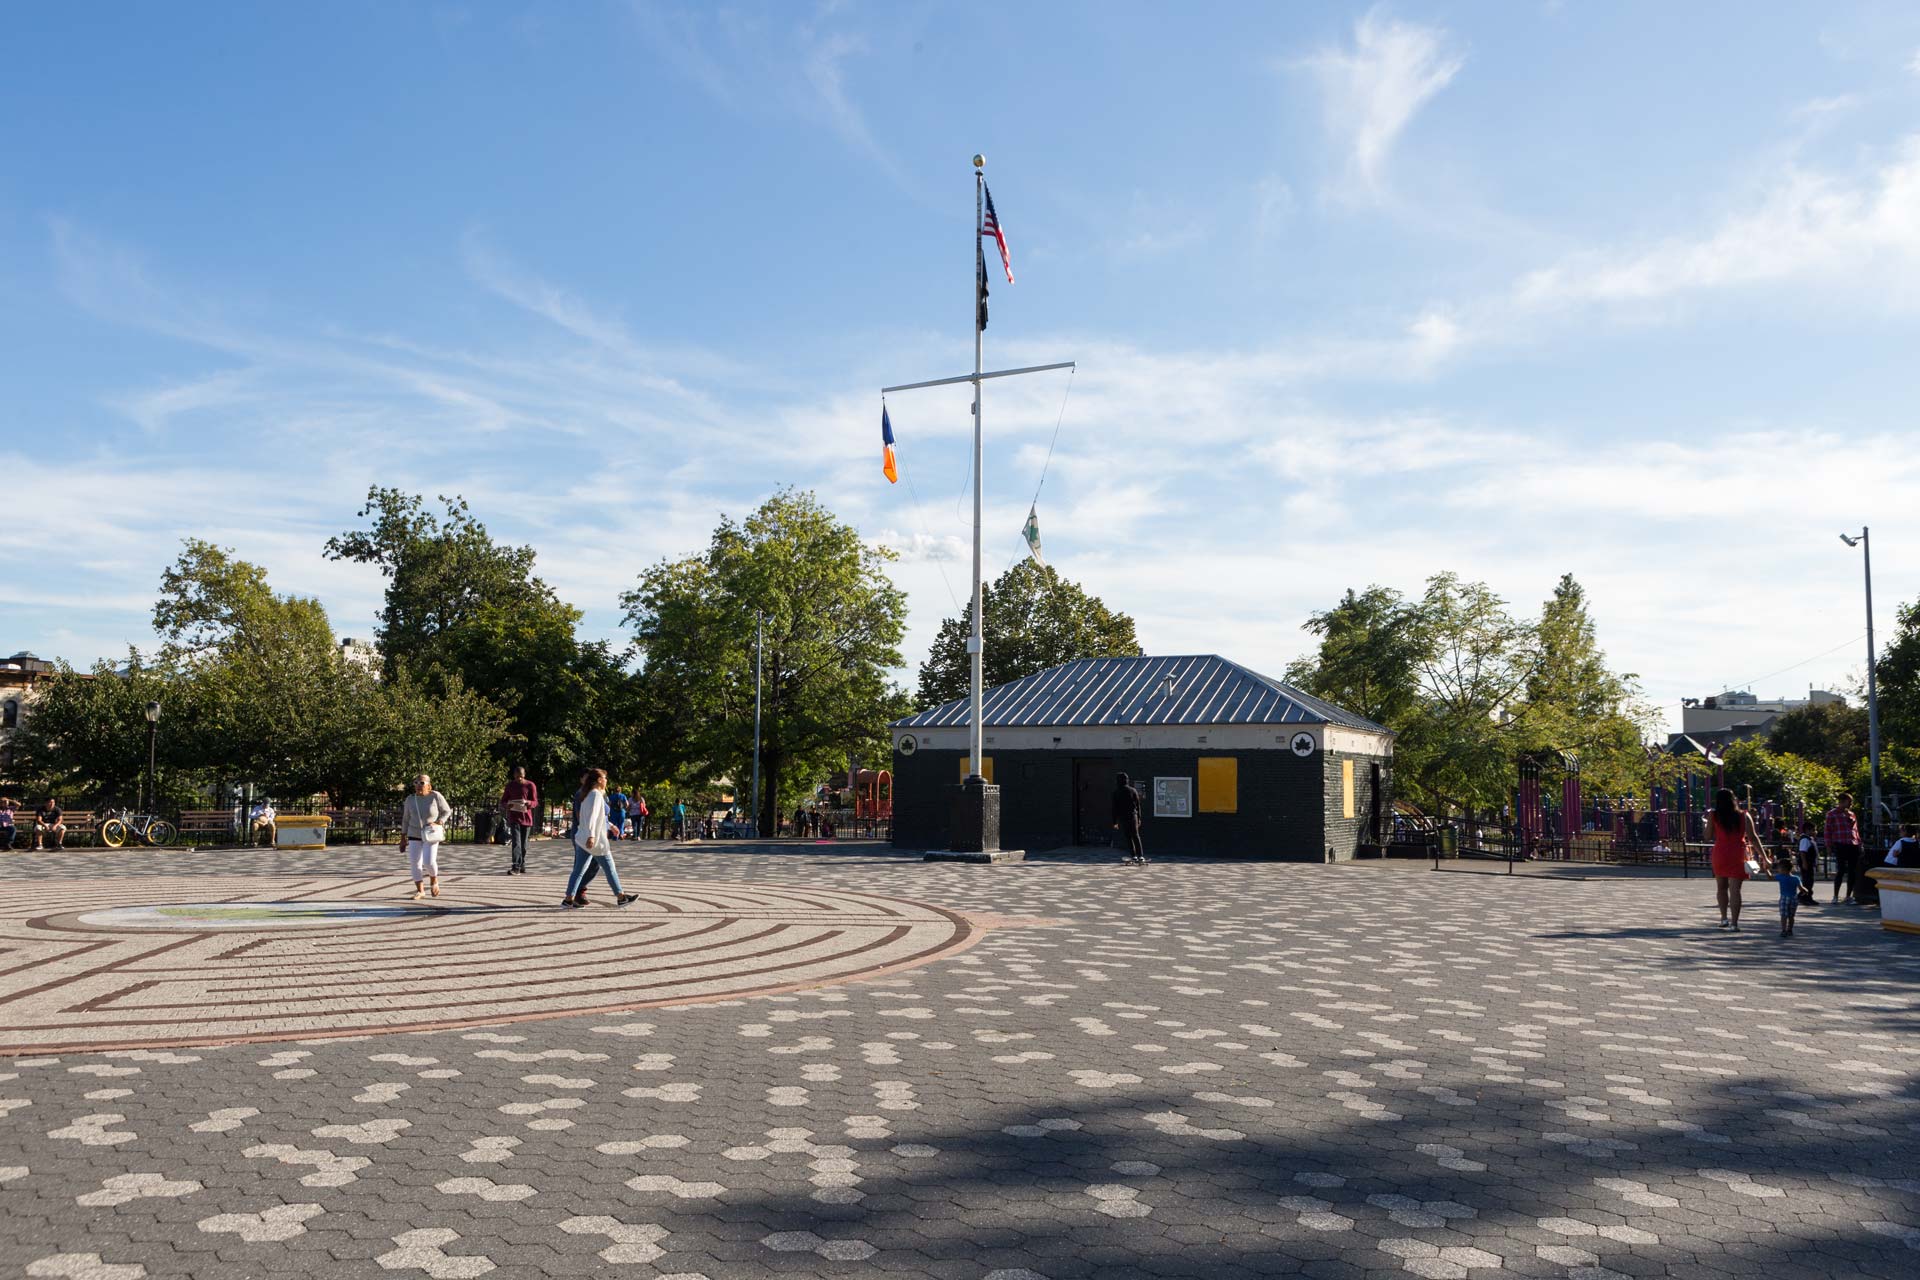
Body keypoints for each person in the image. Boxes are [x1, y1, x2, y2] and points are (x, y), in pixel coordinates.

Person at [563, 768, 637, 909]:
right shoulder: (596, 795)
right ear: (599, 780)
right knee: (610, 868)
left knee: (578, 871)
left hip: (583, 839)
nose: (606, 781)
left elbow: (596, 817)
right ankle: (621, 897)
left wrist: (610, 826)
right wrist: (591, 836)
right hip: (595, 841)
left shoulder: (588, 794)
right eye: (605, 778)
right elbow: (591, 818)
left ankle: (568, 899)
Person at [1708, 787, 1763, 930]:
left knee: (1721, 888)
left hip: (1720, 852)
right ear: (1734, 799)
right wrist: (1764, 857)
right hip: (1737, 853)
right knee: (1735, 890)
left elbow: (1707, 836)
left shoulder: (1714, 815)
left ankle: (1724, 918)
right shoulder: (1744, 815)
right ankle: (1734, 923)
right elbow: (1753, 837)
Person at [402, 774, 453, 900]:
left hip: (431, 833)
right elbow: (406, 819)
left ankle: (434, 880)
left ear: (429, 786)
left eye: (422, 783)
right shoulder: (410, 799)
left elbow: (447, 811)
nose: (419, 785)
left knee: (429, 861)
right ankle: (420, 890)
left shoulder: (435, 796)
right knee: (415, 863)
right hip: (414, 833)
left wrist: (439, 822)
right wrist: (403, 837)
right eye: (416, 783)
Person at [1824, 793, 1864, 904]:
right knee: (1840, 870)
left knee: (1852, 871)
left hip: (1853, 844)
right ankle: (1835, 896)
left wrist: (1860, 844)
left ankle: (1848, 896)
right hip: (1840, 844)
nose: (1851, 804)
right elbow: (1828, 831)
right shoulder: (1832, 814)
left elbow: (1856, 831)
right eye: (1849, 801)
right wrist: (1828, 845)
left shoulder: (1852, 814)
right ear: (1842, 801)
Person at [500, 766, 538, 875]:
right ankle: (515, 866)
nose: (519, 779)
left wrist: (528, 803)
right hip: (514, 818)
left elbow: (535, 802)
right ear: (514, 776)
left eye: (521, 777)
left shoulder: (530, 785)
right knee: (516, 842)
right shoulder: (510, 786)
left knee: (523, 844)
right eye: (517, 777)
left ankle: (522, 864)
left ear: (524, 775)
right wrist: (507, 805)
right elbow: (503, 801)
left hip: (526, 818)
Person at [1111, 771, 1147, 866]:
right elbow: (1138, 806)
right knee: (1136, 836)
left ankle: (1133, 855)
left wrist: (1115, 822)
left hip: (1123, 818)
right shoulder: (1133, 790)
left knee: (1128, 837)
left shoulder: (1116, 792)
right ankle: (1141, 856)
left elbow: (1114, 808)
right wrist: (1139, 818)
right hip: (1133, 816)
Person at [1774, 853, 1801, 937]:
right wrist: (1805, 891)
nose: (1778, 869)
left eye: (1779, 868)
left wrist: (1766, 870)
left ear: (1783, 869)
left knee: (1783, 915)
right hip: (1793, 898)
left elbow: (1770, 877)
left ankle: (1783, 930)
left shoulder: (1780, 876)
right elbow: (1801, 888)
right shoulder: (1796, 878)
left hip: (1784, 898)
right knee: (1791, 916)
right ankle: (1790, 930)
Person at [1794, 824, 1819, 904]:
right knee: (1807, 881)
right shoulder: (1805, 839)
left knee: (1810, 881)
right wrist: (1804, 863)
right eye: (1813, 830)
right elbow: (1802, 852)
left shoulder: (1810, 839)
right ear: (1807, 830)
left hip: (1810, 863)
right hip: (1806, 863)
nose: (1815, 832)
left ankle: (1809, 897)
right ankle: (1803, 897)